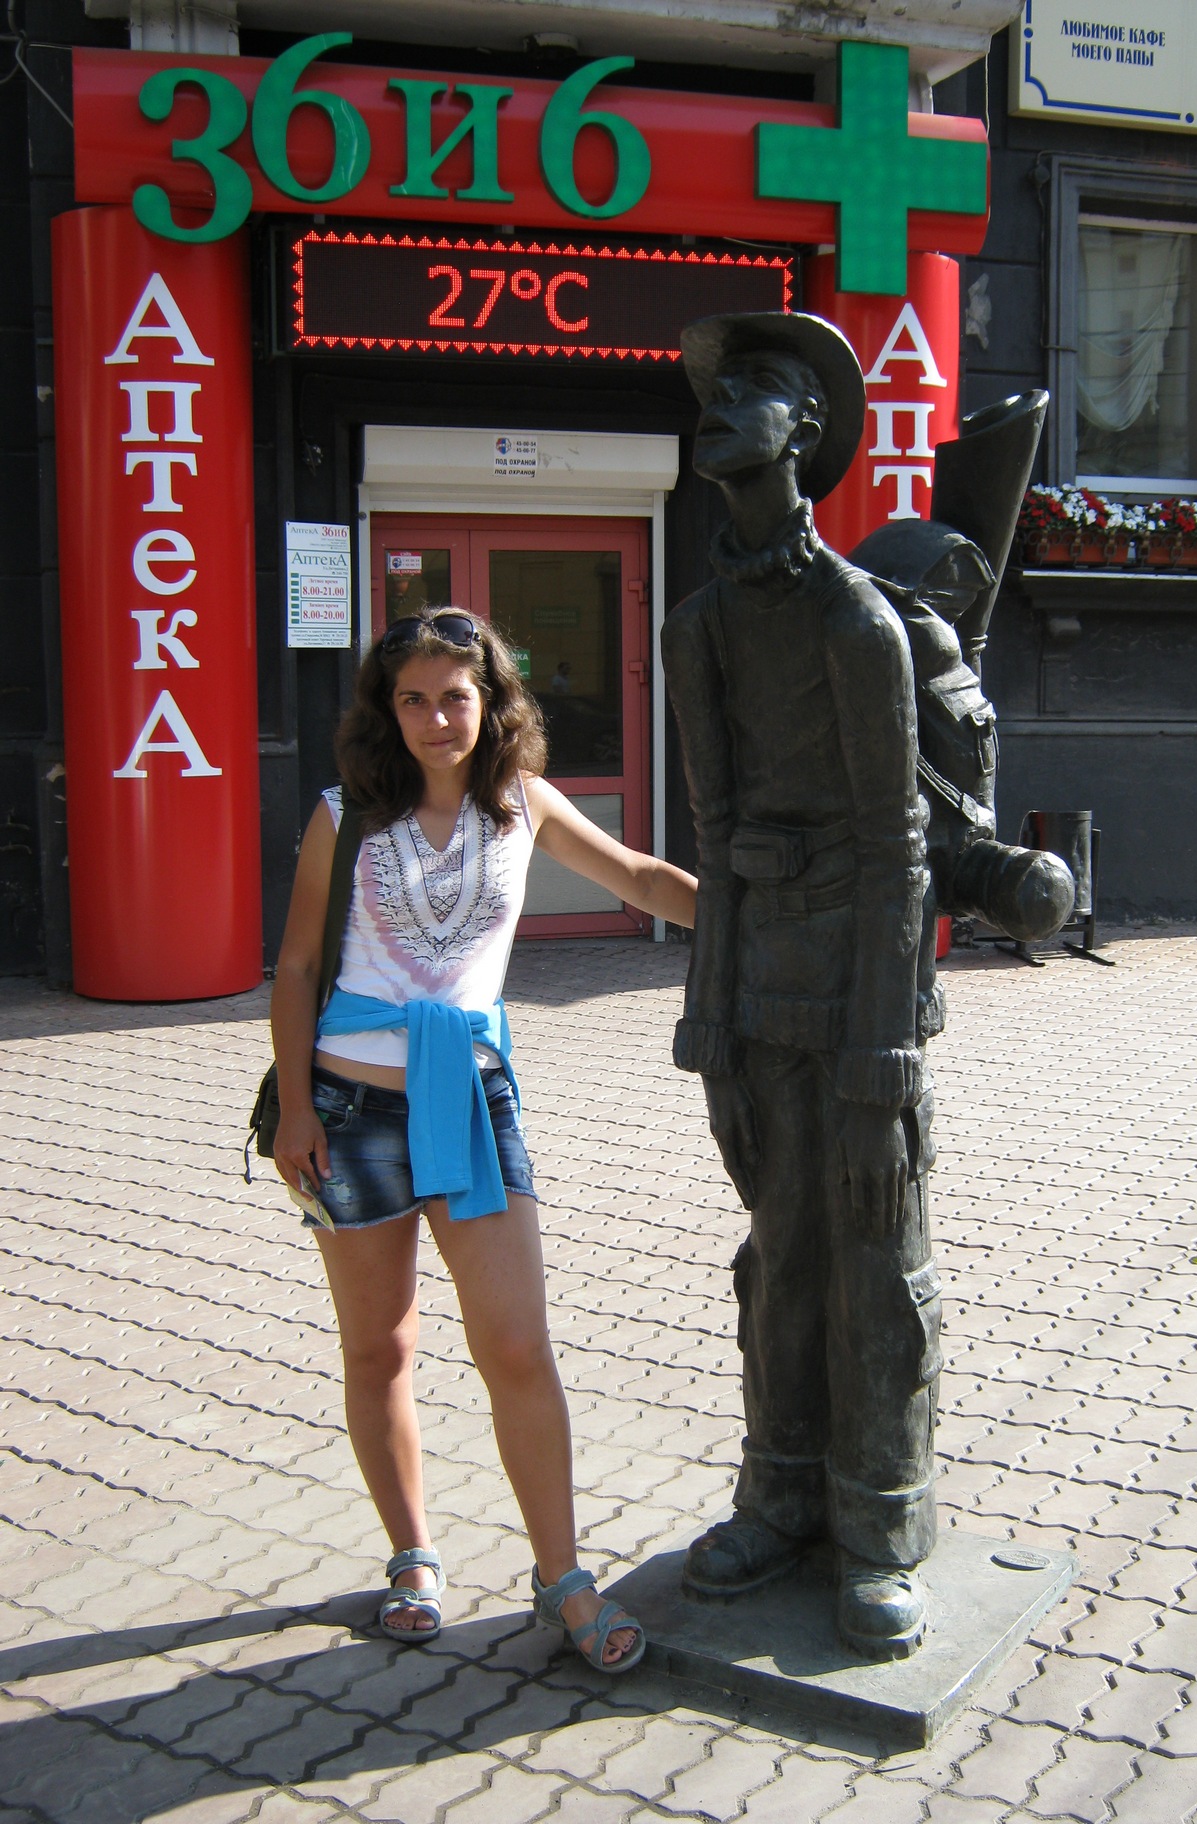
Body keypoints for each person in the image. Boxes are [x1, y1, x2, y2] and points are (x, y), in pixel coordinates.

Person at [270, 607, 696, 1670]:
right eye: (411, 699)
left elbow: (640, 879)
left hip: (471, 1100)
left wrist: (767, 916)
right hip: (349, 1114)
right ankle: (412, 1555)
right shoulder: (343, 817)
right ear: (387, 711)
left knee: (515, 1343)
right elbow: (296, 967)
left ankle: (564, 1578)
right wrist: (294, 1109)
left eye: (454, 697)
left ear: (491, 703)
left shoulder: (523, 805)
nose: (434, 719)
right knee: (380, 1346)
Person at [661, 313, 940, 1660]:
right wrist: (709, 1028)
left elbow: (900, 848)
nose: (721, 408)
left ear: (807, 432)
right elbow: (715, 843)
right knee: (780, 1258)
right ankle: (779, 1494)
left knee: (876, 1262)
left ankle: (880, 1522)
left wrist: (885, 1058)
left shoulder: (855, 620)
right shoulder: (698, 627)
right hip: (761, 989)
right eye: (715, 392)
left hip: (859, 994)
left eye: (757, 390)